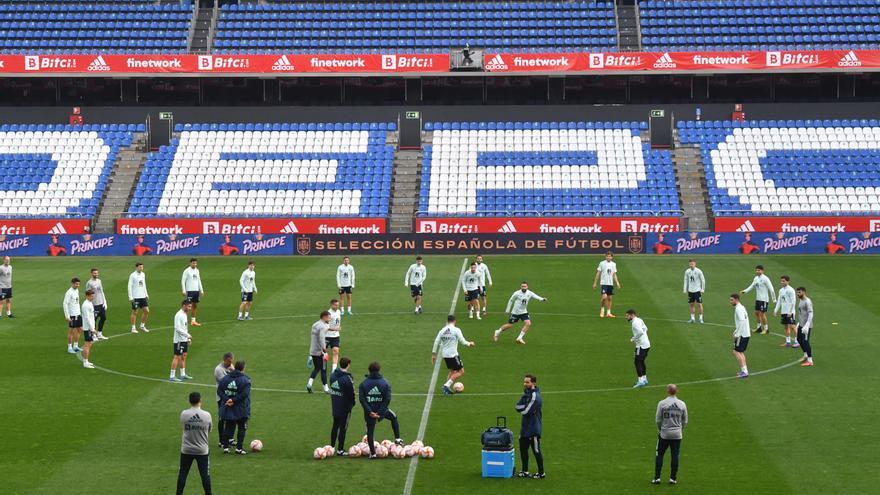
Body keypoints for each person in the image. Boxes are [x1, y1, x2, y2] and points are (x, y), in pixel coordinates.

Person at [358, 361, 403, 458]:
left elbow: (362, 399)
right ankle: (398, 439)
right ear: (379, 370)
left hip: (369, 412)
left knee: (370, 431)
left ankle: (373, 453)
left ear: (369, 370)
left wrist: (370, 412)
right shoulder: (385, 383)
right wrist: (380, 412)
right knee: (393, 417)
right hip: (382, 411)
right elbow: (387, 399)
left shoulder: (363, 384)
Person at [177, 392, 213, 495]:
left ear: (189, 401)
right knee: (205, 475)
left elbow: (183, 426)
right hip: (202, 450)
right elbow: (209, 429)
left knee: (183, 473)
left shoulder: (184, 414)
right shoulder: (206, 415)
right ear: (200, 401)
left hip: (186, 449)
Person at [652, 384, 688, 485]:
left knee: (659, 454)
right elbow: (685, 420)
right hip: (677, 434)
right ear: (676, 391)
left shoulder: (662, 403)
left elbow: (658, 419)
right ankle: (673, 478)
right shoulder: (682, 404)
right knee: (675, 455)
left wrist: (660, 429)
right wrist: (680, 429)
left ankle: (657, 478)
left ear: (667, 391)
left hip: (664, 433)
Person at [432, 315, 475, 396]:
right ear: (454, 321)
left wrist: (433, 354)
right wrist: (470, 344)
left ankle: (446, 389)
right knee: (461, 371)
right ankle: (446, 386)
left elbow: (436, 341)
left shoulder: (442, 330)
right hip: (453, 354)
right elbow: (463, 341)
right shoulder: (456, 330)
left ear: (448, 321)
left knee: (452, 371)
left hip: (445, 355)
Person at [218, 360, 251, 455]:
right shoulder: (245, 380)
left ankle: (225, 448)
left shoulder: (225, 378)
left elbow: (219, 391)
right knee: (242, 427)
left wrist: (227, 400)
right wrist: (233, 401)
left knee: (228, 427)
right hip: (241, 408)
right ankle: (239, 449)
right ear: (243, 368)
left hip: (228, 407)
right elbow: (244, 395)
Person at [514, 374, 544, 479]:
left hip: (533, 428)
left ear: (533, 383)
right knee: (523, 449)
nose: (525, 384)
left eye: (527, 382)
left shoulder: (536, 397)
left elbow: (525, 411)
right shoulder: (526, 393)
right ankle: (525, 471)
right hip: (525, 428)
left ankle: (541, 473)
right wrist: (524, 408)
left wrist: (524, 408)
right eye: (524, 382)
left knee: (536, 451)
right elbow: (517, 406)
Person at [329, 356, 356, 456]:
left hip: (335, 404)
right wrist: (353, 403)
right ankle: (340, 449)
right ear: (348, 364)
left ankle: (331, 447)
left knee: (335, 425)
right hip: (345, 407)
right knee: (343, 427)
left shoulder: (333, 375)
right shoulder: (347, 379)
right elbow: (351, 393)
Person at [741, 265, 775, 335]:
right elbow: (752, 286)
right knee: (756, 313)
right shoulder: (756, 278)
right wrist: (745, 291)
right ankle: (759, 328)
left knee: (762, 314)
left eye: (759, 270)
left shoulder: (766, 279)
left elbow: (771, 289)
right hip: (758, 299)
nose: (757, 271)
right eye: (756, 270)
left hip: (764, 300)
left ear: (762, 271)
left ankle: (766, 329)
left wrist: (774, 299)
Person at [307, 311, 331, 394]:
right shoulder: (322, 326)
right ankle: (326, 388)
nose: (330, 318)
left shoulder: (315, 324)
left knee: (317, 368)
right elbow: (321, 338)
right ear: (324, 317)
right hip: (320, 351)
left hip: (313, 351)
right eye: (328, 317)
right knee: (323, 370)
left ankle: (309, 384)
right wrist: (324, 349)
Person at [213, 352, 234, 448]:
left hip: (230, 396)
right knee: (222, 419)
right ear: (225, 360)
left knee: (231, 418)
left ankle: (229, 439)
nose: (231, 364)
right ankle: (221, 441)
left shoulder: (230, 366)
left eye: (231, 361)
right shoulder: (218, 369)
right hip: (221, 397)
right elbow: (225, 383)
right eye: (229, 361)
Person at [170, 300, 194, 382]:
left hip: (184, 339)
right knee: (177, 357)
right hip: (178, 340)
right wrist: (188, 335)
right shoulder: (178, 315)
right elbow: (177, 328)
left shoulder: (185, 314)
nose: (190, 308)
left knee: (184, 356)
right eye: (189, 306)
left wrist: (187, 338)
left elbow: (185, 327)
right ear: (184, 305)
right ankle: (172, 376)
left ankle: (182, 374)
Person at [626, 309, 650, 388]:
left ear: (632, 315)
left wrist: (634, 338)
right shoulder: (639, 320)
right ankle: (644, 379)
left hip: (641, 345)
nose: (626, 317)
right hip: (646, 344)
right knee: (641, 361)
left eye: (627, 315)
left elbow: (640, 332)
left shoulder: (635, 323)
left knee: (637, 362)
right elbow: (646, 329)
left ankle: (640, 381)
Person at [592, 251, 621, 318]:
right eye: (607, 256)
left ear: (612, 257)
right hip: (604, 283)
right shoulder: (602, 263)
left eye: (610, 256)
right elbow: (598, 273)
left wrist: (617, 282)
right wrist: (595, 283)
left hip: (610, 283)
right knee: (604, 297)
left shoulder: (614, 264)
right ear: (605, 257)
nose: (608, 257)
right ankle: (602, 309)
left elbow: (614, 274)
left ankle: (608, 313)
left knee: (610, 298)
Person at [774, 275, 798, 347]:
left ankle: (797, 341)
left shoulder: (791, 290)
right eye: (781, 281)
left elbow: (793, 301)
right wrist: (776, 310)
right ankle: (788, 342)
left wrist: (790, 312)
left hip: (790, 312)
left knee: (793, 326)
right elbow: (779, 301)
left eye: (783, 281)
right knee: (786, 326)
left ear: (788, 281)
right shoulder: (781, 290)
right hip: (783, 311)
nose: (782, 282)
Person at [730, 294, 751, 378]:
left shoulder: (738, 309)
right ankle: (744, 370)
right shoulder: (742, 307)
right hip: (745, 333)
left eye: (732, 300)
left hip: (742, 334)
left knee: (736, 351)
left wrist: (737, 334)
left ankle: (745, 371)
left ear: (736, 299)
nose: (730, 302)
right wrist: (736, 331)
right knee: (740, 352)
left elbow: (742, 321)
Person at [85, 268, 109, 340]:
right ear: (91, 273)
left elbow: (101, 291)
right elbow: (87, 293)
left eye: (97, 273)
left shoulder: (99, 281)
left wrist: (105, 301)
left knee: (103, 318)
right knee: (94, 320)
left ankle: (99, 333)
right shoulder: (89, 283)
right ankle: (93, 335)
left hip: (101, 303)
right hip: (94, 304)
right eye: (94, 273)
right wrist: (90, 303)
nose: (96, 274)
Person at [128, 262, 150, 333]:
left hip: (142, 296)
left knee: (146, 311)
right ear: (136, 267)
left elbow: (144, 284)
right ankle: (133, 328)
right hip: (136, 297)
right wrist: (130, 297)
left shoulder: (143, 274)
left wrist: (146, 294)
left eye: (142, 267)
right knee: (135, 312)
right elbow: (129, 286)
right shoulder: (132, 275)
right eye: (140, 267)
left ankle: (142, 326)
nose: (141, 268)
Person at [182, 258, 204, 327]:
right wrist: (183, 290)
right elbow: (183, 280)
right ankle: (183, 321)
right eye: (193, 263)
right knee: (187, 306)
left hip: (196, 291)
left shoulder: (197, 270)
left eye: (195, 263)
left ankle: (193, 321)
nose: (194, 264)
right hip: (189, 291)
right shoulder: (187, 271)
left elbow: (199, 280)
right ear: (190, 263)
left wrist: (201, 290)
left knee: (194, 305)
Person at [63, 277, 82, 354]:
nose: (78, 285)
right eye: (76, 284)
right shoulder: (69, 292)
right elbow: (65, 304)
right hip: (72, 315)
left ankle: (76, 346)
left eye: (78, 284)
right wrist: (67, 316)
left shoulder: (76, 290)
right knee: (71, 331)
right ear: (72, 284)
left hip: (78, 314)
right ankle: (69, 347)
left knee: (79, 330)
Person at [796, 287, 814, 367]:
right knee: (799, 339)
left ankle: (810, 361)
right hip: (801, 324)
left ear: (804, 292)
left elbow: (811, 314)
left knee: (805, 342)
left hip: (806, 326)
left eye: (799, 292)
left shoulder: (807, 301)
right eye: (797, 292)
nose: (798, 294)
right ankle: (805, 355)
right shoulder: (801, 300)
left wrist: (807, 325)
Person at [682, 259, 705, 324]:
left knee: (699, 304)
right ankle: (692, 318)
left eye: (692, 264)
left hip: (697, 290)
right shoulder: (687, 271)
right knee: (691, 304)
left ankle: (701, 318)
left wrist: (702, 289)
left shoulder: (699, 271)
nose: (691, 265)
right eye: (690, 264)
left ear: (695, 264)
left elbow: (703, 280)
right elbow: (685, 280)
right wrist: (684, 289)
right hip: (690, 291)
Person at [80, 289, 97, 369]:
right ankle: (85, 362)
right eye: (91, 296)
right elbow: (87, 318)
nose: (93, 297)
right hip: (88, 328)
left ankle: (86, 360)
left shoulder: (89, 303)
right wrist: (92, 329)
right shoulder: (86, 305)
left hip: (90, 327)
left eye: (93, 295)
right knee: (87, 345)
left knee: (88, 344)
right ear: (87, 296)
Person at [326, 299, 343, 372]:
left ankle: (334, 369)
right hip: (326, 336)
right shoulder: (328, 314)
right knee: (324, 353)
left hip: (336, 336)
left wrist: (336, 330)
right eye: (335, 305)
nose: (337, 306)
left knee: (336, 351)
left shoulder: (339, 311)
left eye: (338, 305)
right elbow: (325, 327)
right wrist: (335, 329)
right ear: (331, 305)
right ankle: (322, 367)